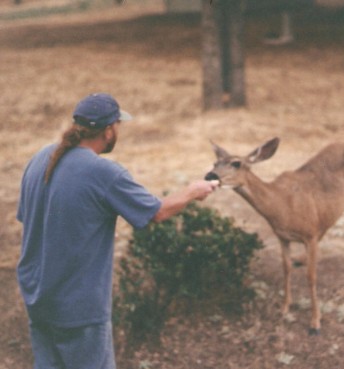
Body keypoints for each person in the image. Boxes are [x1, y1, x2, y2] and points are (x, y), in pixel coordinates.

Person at [16, 93, 219, 369]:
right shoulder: (104, 173)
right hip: (79, 312)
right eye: (118, 126)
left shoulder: (41, 157)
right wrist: (194, 191)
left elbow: (27, 218)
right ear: (109, 130)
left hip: (38, 301)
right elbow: (155, 212)